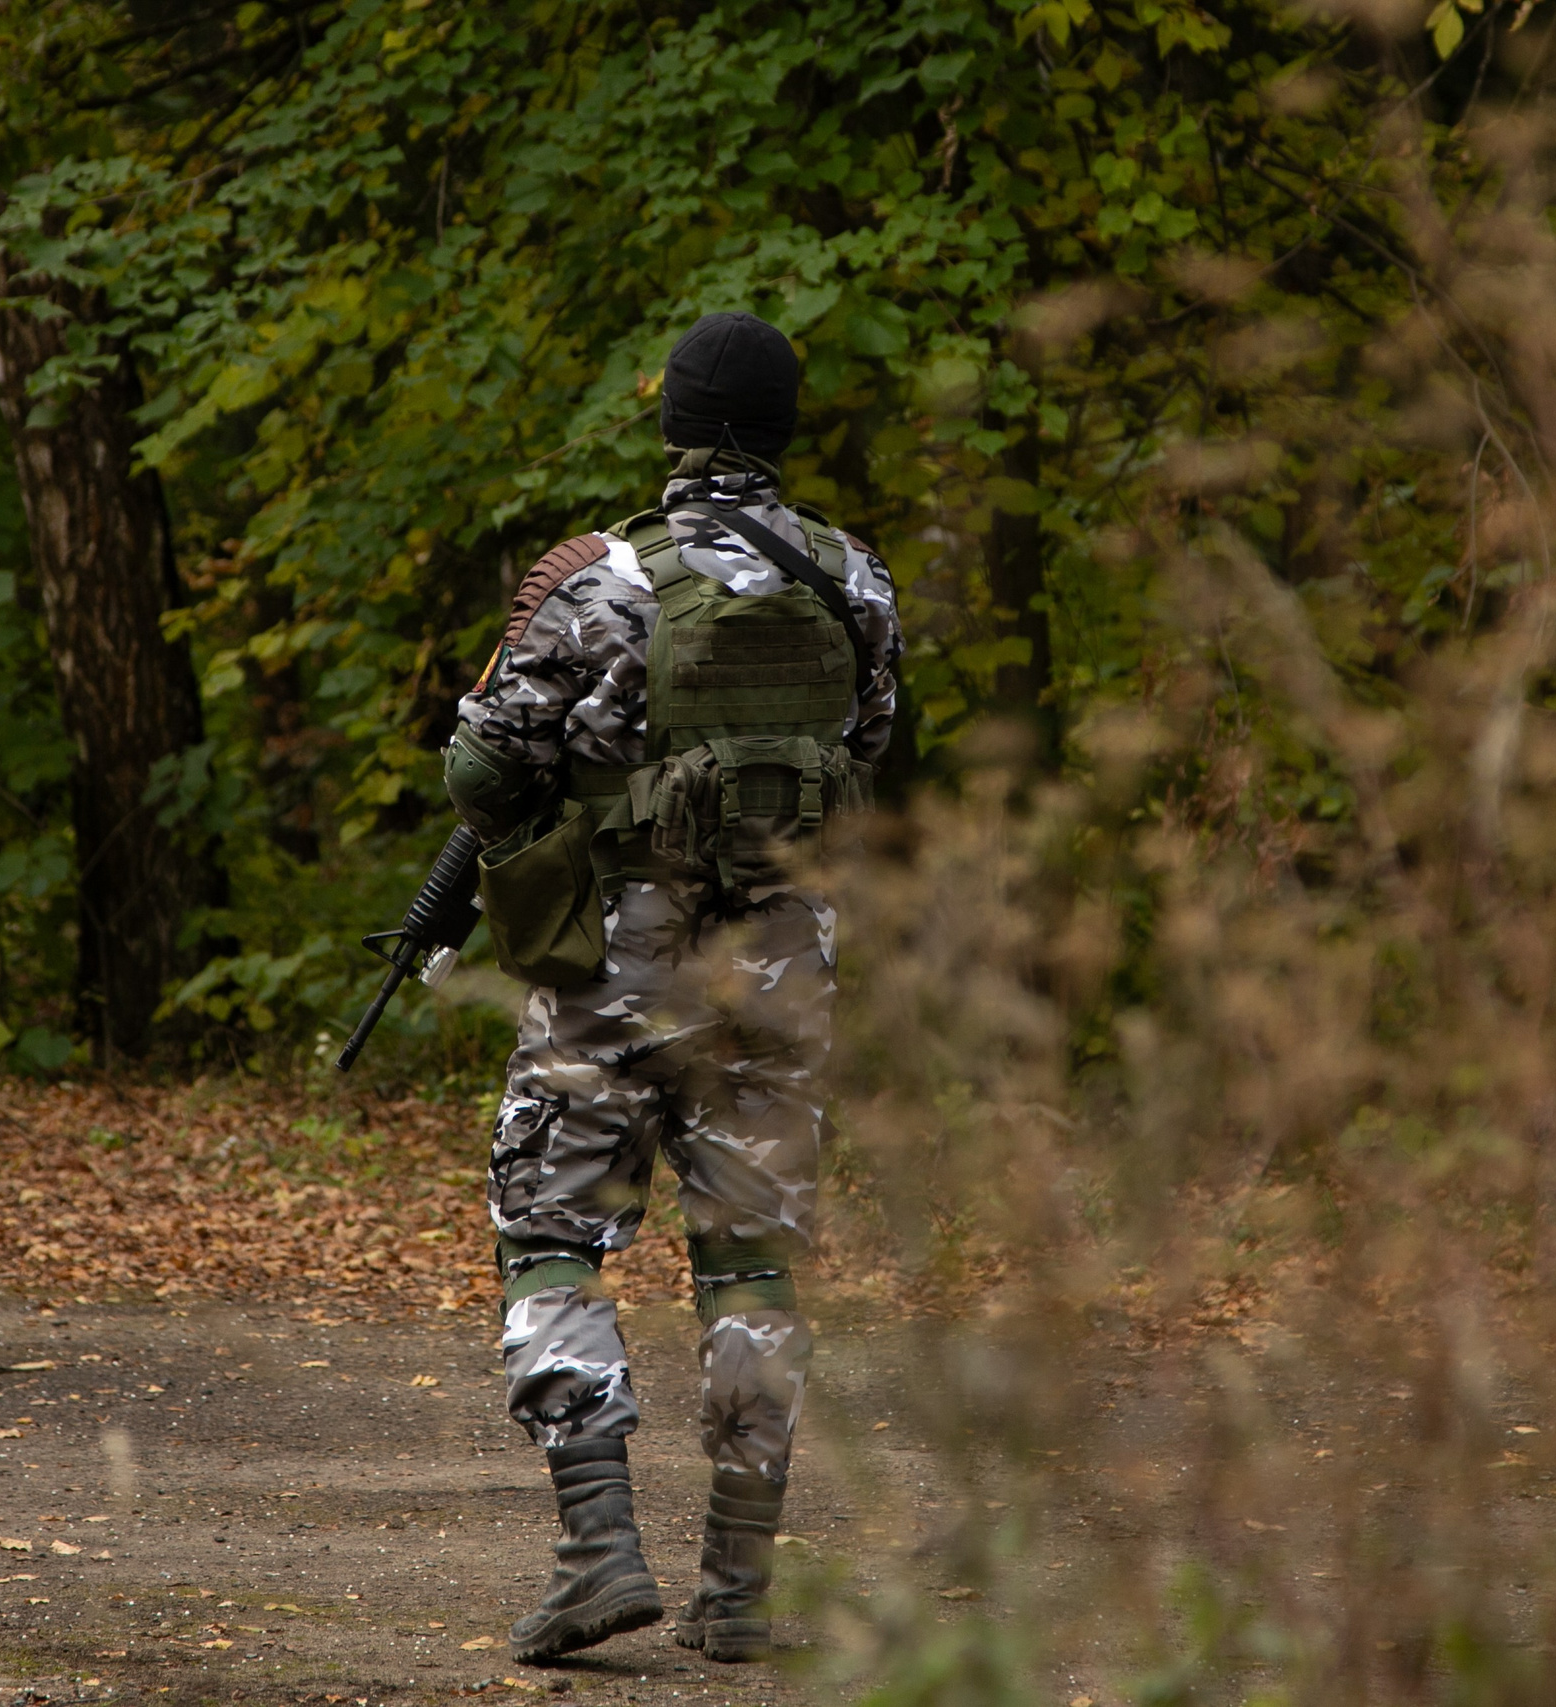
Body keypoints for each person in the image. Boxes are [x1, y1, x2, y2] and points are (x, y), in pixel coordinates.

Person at [438, 311, 902, 1665]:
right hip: (780, 967)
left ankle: (598, 1555)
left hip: (613, 968)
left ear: (678, 427)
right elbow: (870, 748)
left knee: (552, 1228)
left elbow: (483, 773)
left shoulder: (596, 579)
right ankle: (741, 1592)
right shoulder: (856, 580)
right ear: (784, 427)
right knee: (754, 1260)